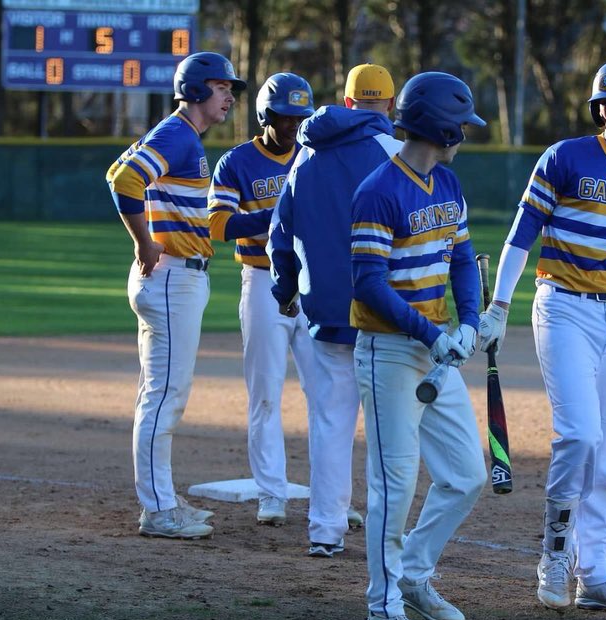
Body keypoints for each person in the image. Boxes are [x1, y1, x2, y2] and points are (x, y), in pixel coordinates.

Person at [478, 59, 606, 613]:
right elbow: (522, 233)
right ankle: (555, 554)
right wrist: (499, 305)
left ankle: (597, 577)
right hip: (563, 307)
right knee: (580, 437)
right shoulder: (564, 157)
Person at [350, 72, 488, 620]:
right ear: (442, 127)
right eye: (461, 125)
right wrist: (433, 332)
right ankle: (381, 613)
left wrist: (471, 321)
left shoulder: (447, 182)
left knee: (466, 475)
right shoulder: (379, 190)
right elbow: (368, 283)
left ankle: (412, 575)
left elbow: (462, 258)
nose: (465, 135)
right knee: (395, 486)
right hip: (389, 351)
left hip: (434, 350)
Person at [106, 52, 246, 539]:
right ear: (197, 89)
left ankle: (163, 498)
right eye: (222, 87)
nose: (230, 97)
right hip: (171, 278)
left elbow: (116, 172)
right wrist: (144, 242)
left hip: (175, 279)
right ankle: (158, 510)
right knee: (164, 397)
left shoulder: (179, 134)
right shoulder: (178, 134)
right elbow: (125, 181)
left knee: (161, 393)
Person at [267, 63, 402, 558]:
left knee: (329, 422)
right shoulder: (397, 154)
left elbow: (281, 230)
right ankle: (387, 537)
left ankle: (325, 530)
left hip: (324, 310)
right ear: (391, 105)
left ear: (346, 102)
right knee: (391, 431)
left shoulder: (306, 153)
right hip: (386, 313)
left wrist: (285, 288)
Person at [207, 73, 317, 527]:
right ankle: (272, 493)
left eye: (300, 118)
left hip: (313, 285)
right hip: (262, 282)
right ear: (265, 116)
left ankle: (331, 494)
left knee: (327, 393)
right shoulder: (236, 161)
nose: (293, 126)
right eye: (285, 117)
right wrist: (280, 213)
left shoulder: (316, 157)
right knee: (265, 394)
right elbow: (218, 225)